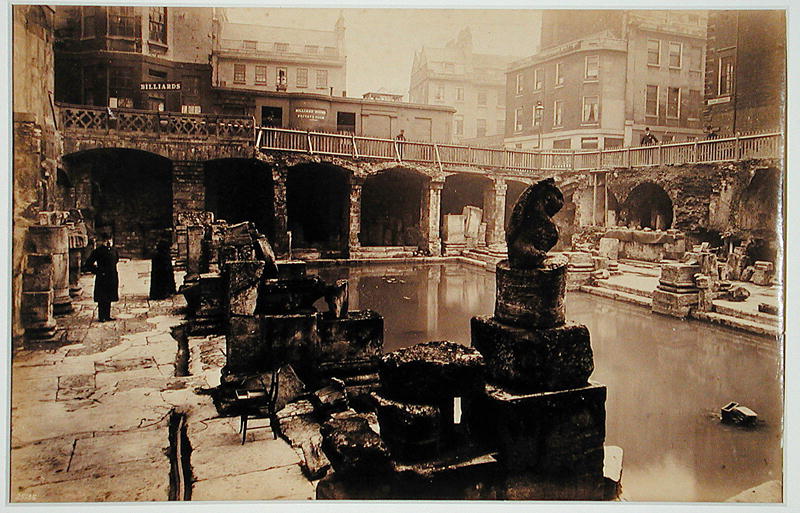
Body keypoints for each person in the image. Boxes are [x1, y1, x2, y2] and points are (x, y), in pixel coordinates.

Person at [85, 233, 119, 322]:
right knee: (102, 297)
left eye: (110, 240)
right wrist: (98, 271)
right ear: (102, 241)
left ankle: (107, 315)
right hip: (102, 278)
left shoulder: (114, 250)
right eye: (106, 240)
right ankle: (102, 316)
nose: (108, 242)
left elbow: (116, 260)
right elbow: (88, 264)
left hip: (112, 276)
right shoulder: (98, 251)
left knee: (109, 297)